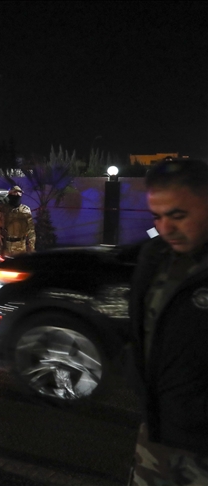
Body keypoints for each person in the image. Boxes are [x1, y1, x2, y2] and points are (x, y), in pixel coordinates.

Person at [126, 158, 208, 486]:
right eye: (157, 217)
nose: (166, 228)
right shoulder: (155, 256)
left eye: (178, 215)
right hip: (157, 433)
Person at [0, 185, 35, 258]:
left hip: (21, 246)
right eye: (14, 193)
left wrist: (31, 247)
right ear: (10, 194)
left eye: (19, 193)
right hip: (6, 245)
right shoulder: (2, 209)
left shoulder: (26, 210)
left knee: (20, 268)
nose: (17, 195)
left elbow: (31, 230)